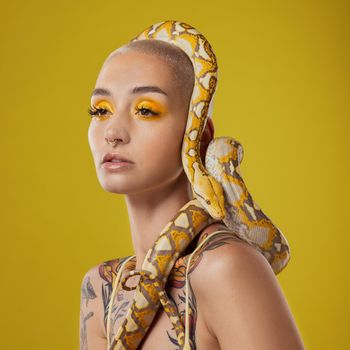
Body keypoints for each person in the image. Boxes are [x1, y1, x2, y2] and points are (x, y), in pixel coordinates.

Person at [80, 25, 305, 350]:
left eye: (145, 110)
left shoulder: (227, 268)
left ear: (200, 137)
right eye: (100, 110)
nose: (112, 132)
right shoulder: (101, 288)